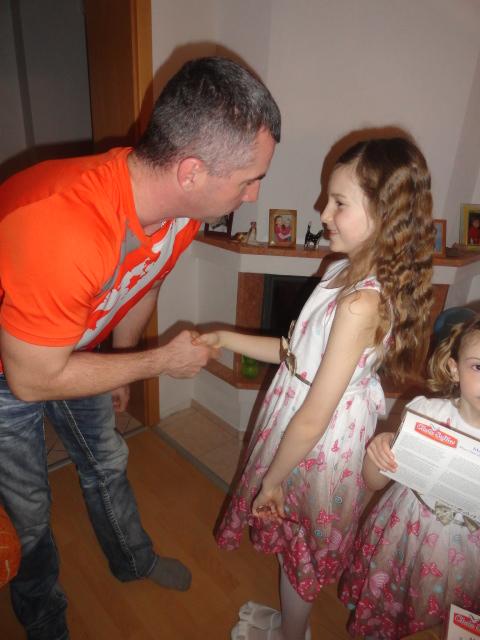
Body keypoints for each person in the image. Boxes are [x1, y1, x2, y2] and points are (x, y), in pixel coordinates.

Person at [0, 56, 280, 640]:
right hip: (13, 369)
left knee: (107, 459)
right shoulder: (63, 227)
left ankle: (132, 560)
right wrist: (157, 362)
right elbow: (30, 379)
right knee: (28, 509)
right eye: (248, 180)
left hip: (70, 349)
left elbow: (142, 282)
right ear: (192, 171)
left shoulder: (180, 214)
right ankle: (43, 616)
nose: (253, 196)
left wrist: (119, 367)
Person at [195, 136, 435, 640]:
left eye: (339, 202)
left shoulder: (362, 304)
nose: (322, 212)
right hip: (300, 422)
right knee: (292, 541)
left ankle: (292, 633)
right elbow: (294, 353)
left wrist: (273, 478)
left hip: (319, 444)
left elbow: (314, 416)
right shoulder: (339, 270)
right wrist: (225, 338)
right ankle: (291, 624)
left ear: (385, 216)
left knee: (302, 546)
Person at [340, 315, 480, 639]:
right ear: (453, 369)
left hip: (467, 557)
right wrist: (378, 452)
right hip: (406, 531)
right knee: (390, 599)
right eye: (479, 366)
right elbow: (374, 482)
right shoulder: (425, 414)